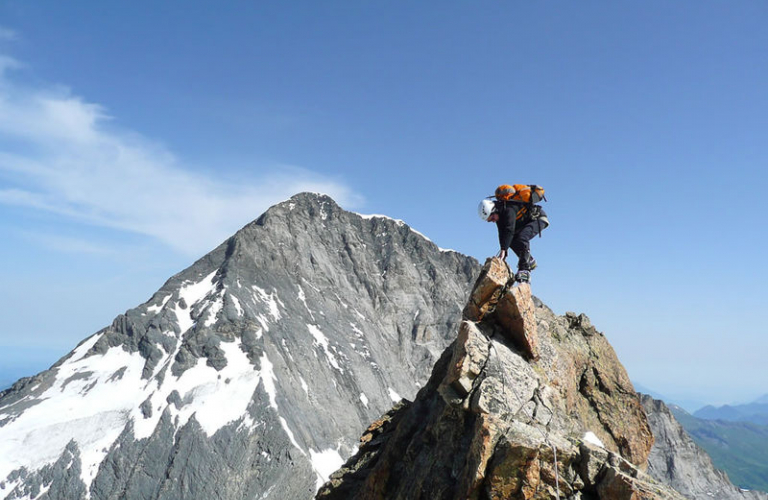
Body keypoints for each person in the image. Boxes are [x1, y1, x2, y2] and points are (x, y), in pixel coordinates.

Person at [478, 185, 549, 283]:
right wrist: (504, 250)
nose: (493, 221)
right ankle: (529, 260)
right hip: (528, 221)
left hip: (538, 219)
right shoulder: (500, 214)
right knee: (510, 241)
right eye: (490, 221)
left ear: (494, 211)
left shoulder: (508, 209)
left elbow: (510, 229)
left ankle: (524, 270)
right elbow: (502, 234)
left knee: (522, 237)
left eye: (492, 219)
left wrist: (504, 249)